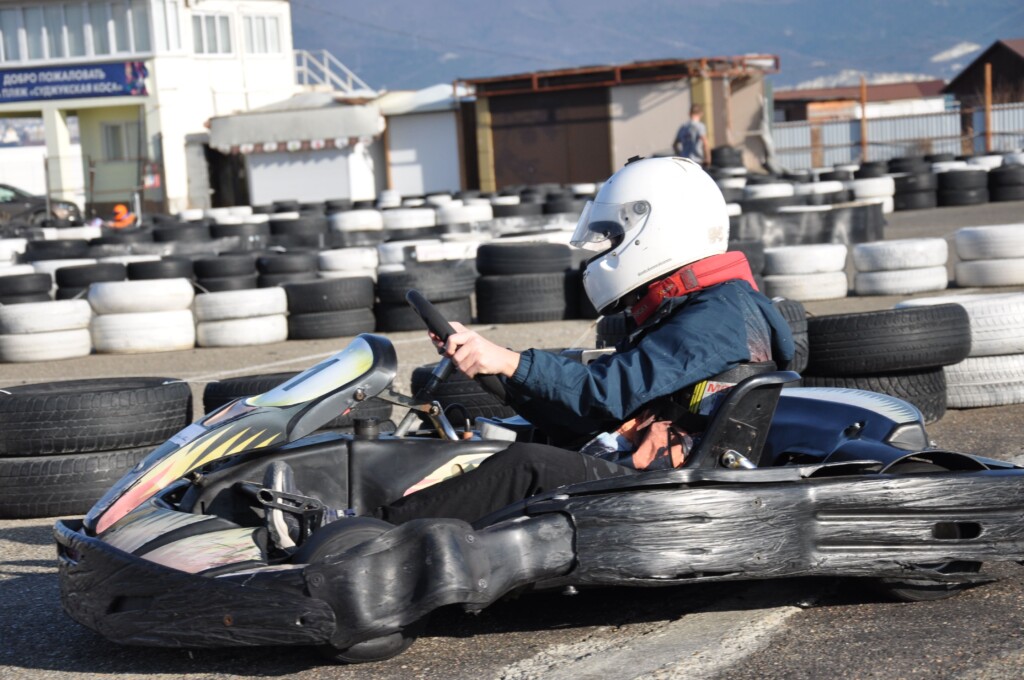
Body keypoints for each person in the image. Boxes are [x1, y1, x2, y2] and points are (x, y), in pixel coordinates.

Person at [372, 156, 794, 525]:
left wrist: (508, 361)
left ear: (661, 229)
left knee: (527, 465)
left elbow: (605, 395)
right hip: (654, 463)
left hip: (669, 488)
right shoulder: (705, 306)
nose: (607, 248)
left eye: (614, 237)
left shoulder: (720, 315)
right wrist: (497, 370)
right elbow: (595, 410)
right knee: (511, 438)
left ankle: (365, 536)